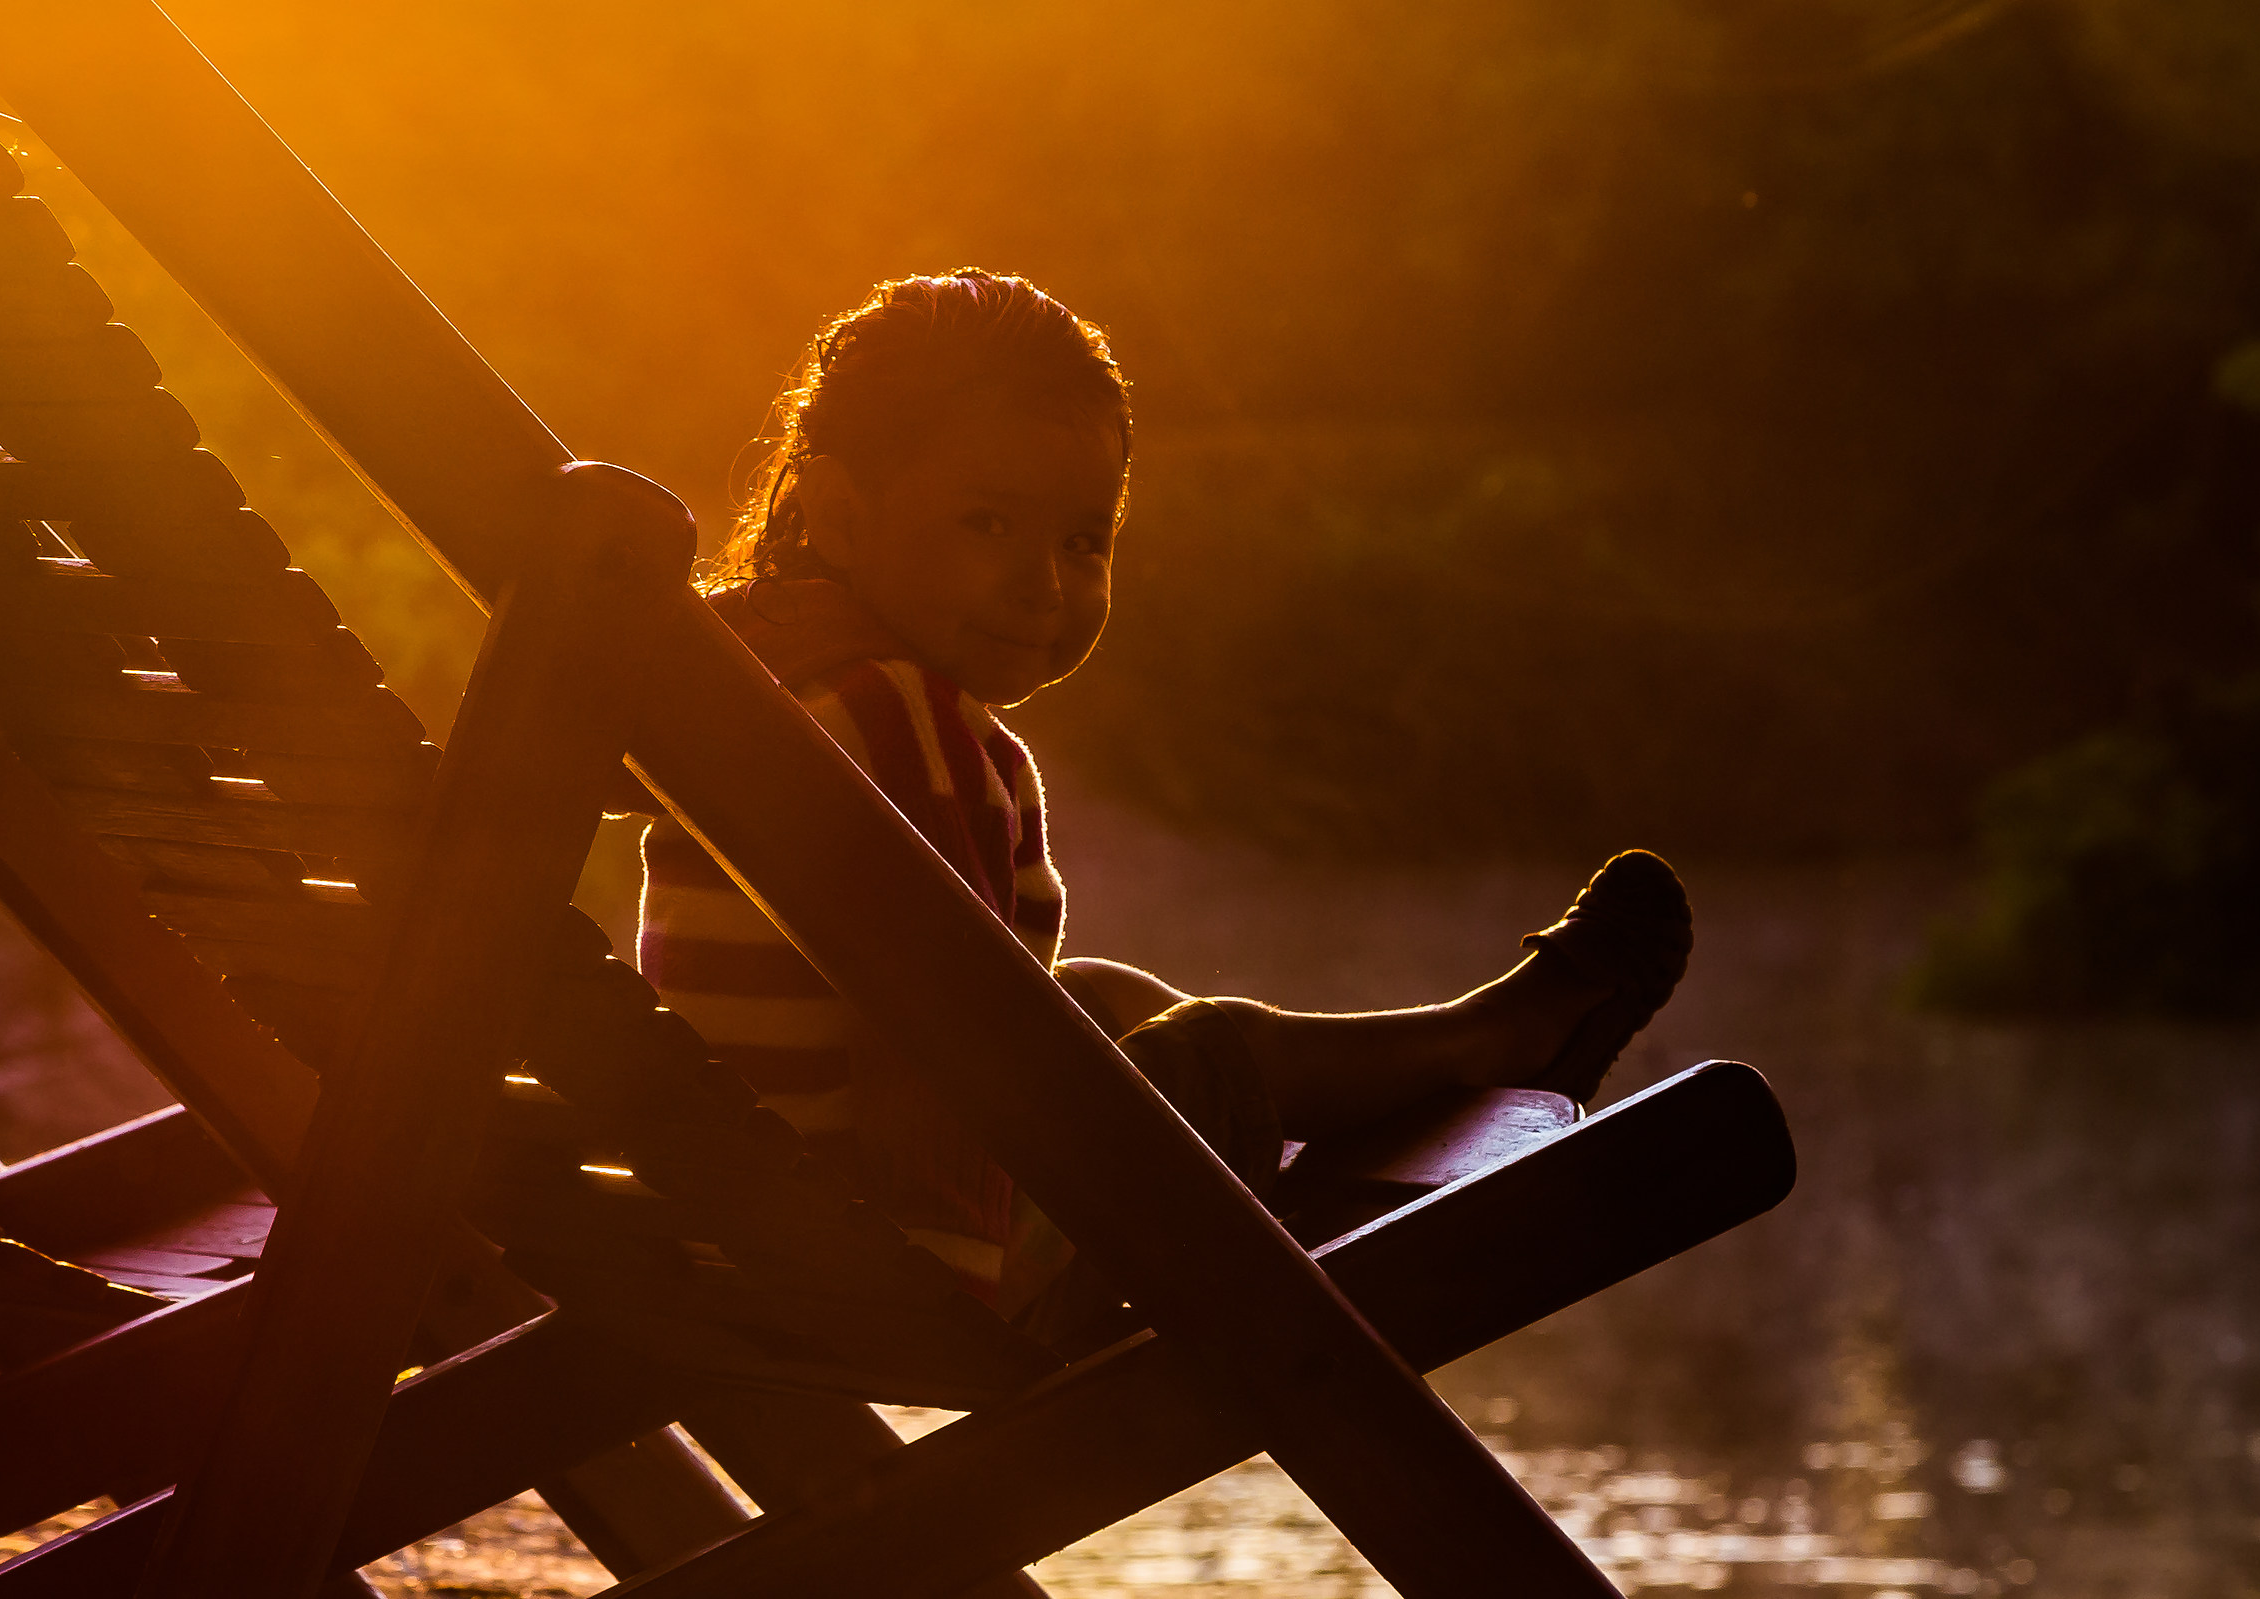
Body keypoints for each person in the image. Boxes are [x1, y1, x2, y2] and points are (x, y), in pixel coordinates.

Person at [638, 269, 1692, 1336]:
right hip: (888, 1258)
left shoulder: (760, 691)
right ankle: (1480, 1047)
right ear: (841, 515)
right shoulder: (895, 720)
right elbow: (958, 1040)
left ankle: (1406, 1084)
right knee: (1214, 1054)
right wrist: (977, 1252)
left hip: (725, 1211)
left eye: (1082, 542)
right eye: (987, 523)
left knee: (1102, 1003)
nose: (1044, 583)